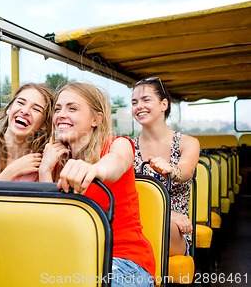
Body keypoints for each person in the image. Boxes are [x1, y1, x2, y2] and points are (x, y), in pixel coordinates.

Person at [39, 82, 156, 287]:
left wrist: (95, 170)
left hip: (124, 261)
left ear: (96, 119)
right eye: (58, 109)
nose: (61, 114)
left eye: (72, 108)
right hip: (74, 259)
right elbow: (50, 225)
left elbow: (117, 161)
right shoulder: (56, 162)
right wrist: (44, 171)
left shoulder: (116, 145)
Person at [131, 76, 200, 256]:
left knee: (162, 225)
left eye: (146, 100)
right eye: (134, 102)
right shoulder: (126, 147)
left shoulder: (188, 142)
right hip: (135, 221)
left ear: (164, 104)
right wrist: (167, 212)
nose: (139, 106)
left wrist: (172, 171)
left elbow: (186, 171)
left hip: (174, 229)